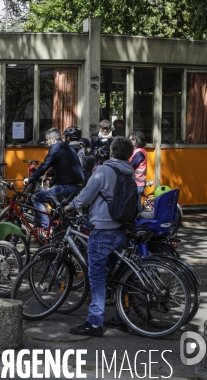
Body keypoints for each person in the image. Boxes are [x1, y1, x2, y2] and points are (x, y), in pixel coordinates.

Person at [67, 136, 134, 337]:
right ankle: (123, 317)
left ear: (111, 152)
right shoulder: (128, 172)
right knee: (120, 276)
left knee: (96, 277)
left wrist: (71, 205)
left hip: (102, 229)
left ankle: (95, 323)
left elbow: (86, 196)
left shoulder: (104, 170)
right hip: (120, 229)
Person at [24, 128, 84, 231]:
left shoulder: (55, 148)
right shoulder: (65, 147)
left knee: (36, 197)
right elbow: (60, 163)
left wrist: (30, 179)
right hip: (76, 186)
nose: (46, 143)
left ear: (52, 140)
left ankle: (48, 229)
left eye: (47, 140)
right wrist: (47, 175)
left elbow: (45, 164)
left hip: (66, 187)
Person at [128, 131, 148, 214]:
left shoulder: (139, 152)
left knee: (137, 204)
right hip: (138, 182)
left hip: (137, 183)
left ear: (134, 141)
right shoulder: (140, 151)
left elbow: (132, 165)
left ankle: (140, 221)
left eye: (130, 140)